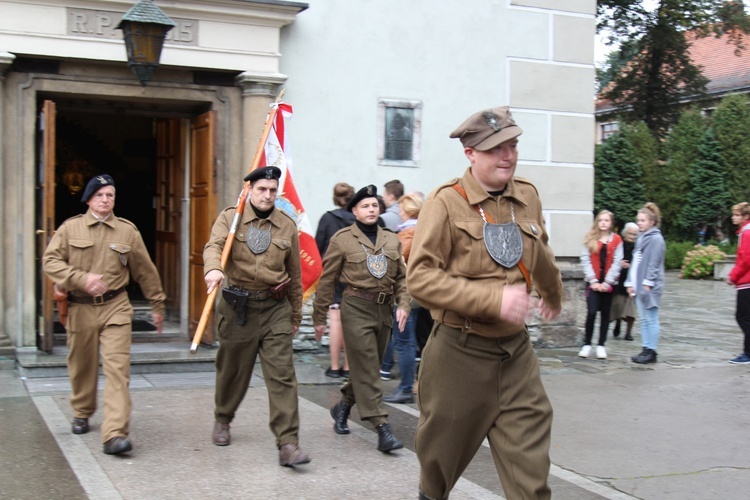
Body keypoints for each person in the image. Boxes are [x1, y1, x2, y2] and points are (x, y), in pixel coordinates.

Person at [407, 106, 563, 499]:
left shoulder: (526, 195)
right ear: (470, 153)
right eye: (495, 148)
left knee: (530, 476)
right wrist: (493, 298)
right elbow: (421, 279)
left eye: (512, 145)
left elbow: (540, 251)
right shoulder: (445, 203)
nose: (507, 155)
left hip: (516, 356)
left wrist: (552, 293)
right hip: (459, 353)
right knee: (437, 469)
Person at [42, 174, 166, 456]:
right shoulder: (70, 228)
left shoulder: (127, 231)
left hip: (116, 307)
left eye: (110, 195)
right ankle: (82, 410)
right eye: (100, 195)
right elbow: (50, 262)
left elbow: (144, 270)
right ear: (88, 199)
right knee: (81, 365)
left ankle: (115, 434)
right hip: (80, 307)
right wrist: (81, 279)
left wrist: (157, 305)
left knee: (117, 371)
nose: (106, 200)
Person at [203, 166, 310, 467]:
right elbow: (213, 246)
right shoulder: (231, 217)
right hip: (239, 308)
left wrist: (296, 316)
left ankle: (288, 443)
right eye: (262, 189)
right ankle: (223, 417)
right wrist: (213, 268)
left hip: (275, 308)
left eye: (273, 190)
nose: (268, 195)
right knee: (232, 372)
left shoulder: (287, 225)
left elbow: (295, 275)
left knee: (283, 376)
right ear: (249, 190)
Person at [313, 185, 410, 453]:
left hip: (384, 310)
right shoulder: (342, 239)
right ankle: (382, 427)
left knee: (368, 366)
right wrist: (319, 316)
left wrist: (404, 303)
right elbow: (327, 279)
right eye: (365, 206)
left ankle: (343, 407)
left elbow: (401, 278)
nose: (371, 210)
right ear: (354, 211)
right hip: (355, 307)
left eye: (374, 205)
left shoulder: (391, 239)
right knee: (369, 368)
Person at [382, 193, 424, 404]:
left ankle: (406, 387)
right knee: (414, 342)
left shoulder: (408, 234)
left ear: (407, 211)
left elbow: (396, 265)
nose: (398, 212)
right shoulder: (424, 230)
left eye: (400, 209)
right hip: (420, 294)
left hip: (406, 296)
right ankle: (412, 385)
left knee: (404, 342)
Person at [314, 182, 356, 378]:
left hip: (333, 274)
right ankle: (348, 368)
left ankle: (334, 367)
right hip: (355, 274)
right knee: (351, 321)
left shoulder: (327, 218)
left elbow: (317, 247)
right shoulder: (359, 218)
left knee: (336, 319)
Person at [578, 210, 623, 360]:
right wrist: (593, 281)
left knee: (605, 314)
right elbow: (585, 259)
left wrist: (607, 282)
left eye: (607, 220)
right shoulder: (590, 238)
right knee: (591, 312)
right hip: (593, 284)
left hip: (609, 285)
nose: (603, 223)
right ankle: (587, 344)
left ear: (611, 223)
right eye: (601, 220)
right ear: (597, 222)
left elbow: (618, 262)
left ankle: (601, 345)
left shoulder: (617, 240)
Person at [625, 202, 666, 364]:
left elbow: (654, 264)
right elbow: (636, 263)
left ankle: (652, 350)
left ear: (652, 222)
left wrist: (648, 282)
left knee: (651, 318)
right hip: (638, 285)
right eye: (638, 220)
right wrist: (630, 282)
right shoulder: (642, 238)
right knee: (643, 318)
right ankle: (645, 347)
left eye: (642, 220)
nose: (639, 223)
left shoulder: (656, 239)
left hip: (648, 286)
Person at [727, 202, 750, 364]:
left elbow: (746, 259)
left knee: (742, 317)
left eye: (736, 215)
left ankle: (748, 353)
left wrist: (733, 276)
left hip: (747, 282)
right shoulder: (744, 231)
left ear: (745, 216)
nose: (733, 217)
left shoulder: (746, 233)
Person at [611, 222, 639, 341]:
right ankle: (618, 323)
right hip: (619, 278)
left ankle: (628, 332)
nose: (632, 236)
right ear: (625, 233)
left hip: (632, 281)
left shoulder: (638, 247)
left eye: (634, 234)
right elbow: (612, 257)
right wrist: (620, 263)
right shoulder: (619, 244)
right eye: (630, 233)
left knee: (631, 309)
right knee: (618, 305)